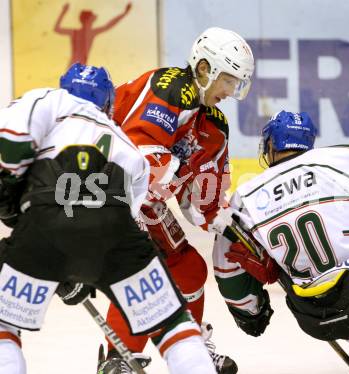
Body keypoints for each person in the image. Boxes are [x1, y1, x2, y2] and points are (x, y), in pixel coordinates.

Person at [0, 63, 216, 374]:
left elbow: (10, 145)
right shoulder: (124, 141)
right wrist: (80, 267)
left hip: (45, 223)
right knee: (175, 326)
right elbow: (124, 216)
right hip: (116, 231)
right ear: (108, 102)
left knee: (4, 324)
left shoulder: (47, 100)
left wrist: (11, 199)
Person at [212, 110, 349, 373]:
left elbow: (227, 266)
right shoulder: (342, 159)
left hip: (314, 316)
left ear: (271, 144)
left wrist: (251, 313)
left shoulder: (245, 197)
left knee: (337, 295)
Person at [98, 27, 254, 374]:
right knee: (143, 267)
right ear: (203, 68)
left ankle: (192, 349)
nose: (230, 91)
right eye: (227, 79)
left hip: (140, 198)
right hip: (105, 186)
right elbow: (138, 157)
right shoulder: (169, 87)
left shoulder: (212, 125)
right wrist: (183, 172)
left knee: (189, 270)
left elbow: (201, 200)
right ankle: (117, 356)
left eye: (236, 83)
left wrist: (220, 215)